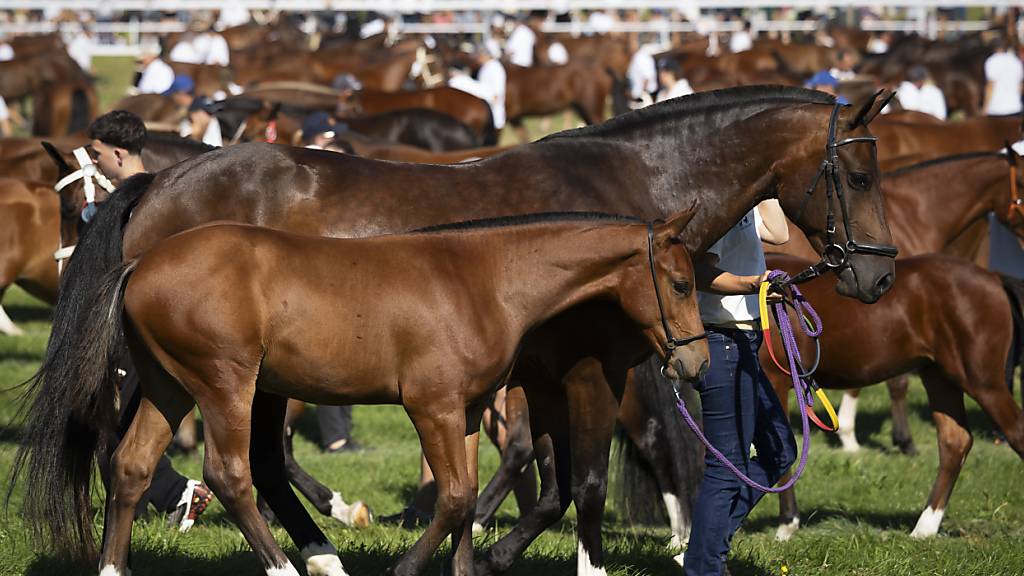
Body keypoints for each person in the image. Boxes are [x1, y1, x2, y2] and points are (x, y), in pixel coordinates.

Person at [87, 110, 214, 531]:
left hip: (140, 330)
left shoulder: (139, 204)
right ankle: (154, 503)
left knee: (120, 429)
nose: (95, 163)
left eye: (97, 154)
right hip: (149, 326)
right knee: (121, 429)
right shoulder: (171, 196)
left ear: (118, 153)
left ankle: (177, 494)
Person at [681, 200, 796, 575]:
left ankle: (703, 548)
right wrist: (753, 284)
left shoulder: (744, 205)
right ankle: (703, 565)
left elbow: (780, 235)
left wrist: (767, 190)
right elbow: (700, 273)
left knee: (779, 449)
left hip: (743, 343)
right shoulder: (721, 209)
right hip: (721, 341)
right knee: (727, 466)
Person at [984, 37, 1024, 117]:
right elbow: (1020, 85)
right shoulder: (1015, 61)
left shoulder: (991, 61)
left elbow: (990, 86)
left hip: (996, 109)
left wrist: (985, 106)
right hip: (1015, 107)